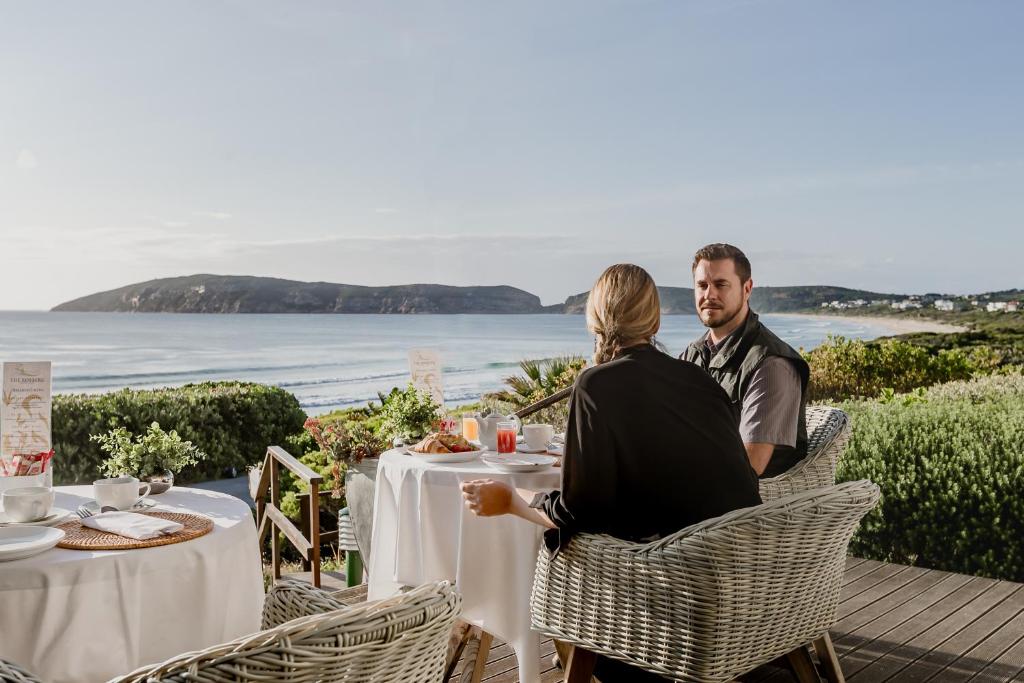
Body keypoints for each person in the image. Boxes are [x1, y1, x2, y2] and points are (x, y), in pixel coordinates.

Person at [461, 263, 761, 682]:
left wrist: (511, 500)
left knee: (565, 548)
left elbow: (580, 512)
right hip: (744, 584)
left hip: (667, 605)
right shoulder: (698, 379)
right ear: (654, 321)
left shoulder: (597, 384)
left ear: (594, 322)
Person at [682, 243, 810, 478]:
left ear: (747, 288)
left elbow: (748, 467)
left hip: (749, 508)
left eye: (721, 284)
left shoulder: (771, 364)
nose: (709, 295)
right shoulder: (694, 354)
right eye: (702, 285)